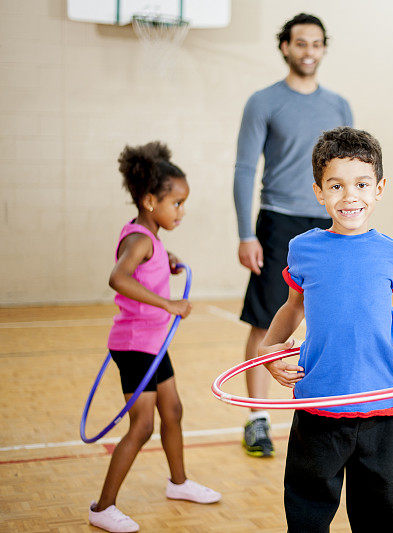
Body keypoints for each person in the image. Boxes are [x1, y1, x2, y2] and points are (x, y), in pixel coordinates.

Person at [258, 127, 393, 532]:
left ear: (380, 188)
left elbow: (378, 310)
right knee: (308, 514)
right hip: (320, 403)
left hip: (381, 406)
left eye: (361, 184)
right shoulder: (304, 249)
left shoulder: (391, 252)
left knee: (387, 517)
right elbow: (294, 305)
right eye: (336, 186)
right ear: (319, 192)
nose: (349, 196)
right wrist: (267, 350)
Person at [233, 12, 353, 458]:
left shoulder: (339, 105)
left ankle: (325, 408)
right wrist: (247, 234)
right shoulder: (263, 102)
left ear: (324, 48)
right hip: (278, 221)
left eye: (316, 43)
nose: (308, 51)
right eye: (300, 43)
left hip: (329, 222)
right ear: (285, 47)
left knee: (328, 317)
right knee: (266, 319)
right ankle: (257, 417)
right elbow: (246, 169)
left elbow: (350, 170)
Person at [89, 142, 220, 533]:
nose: (181, 211)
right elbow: (118, 277)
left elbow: (147, 263)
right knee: (142, 425)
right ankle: (102, 506)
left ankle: (178, 483)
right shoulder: (141, 240)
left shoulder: (149, 237)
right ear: (149, 200)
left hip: (152, 343)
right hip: (134, 346)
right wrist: (169, 304)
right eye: (176, 203)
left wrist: (170, 260)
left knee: (173, 411)